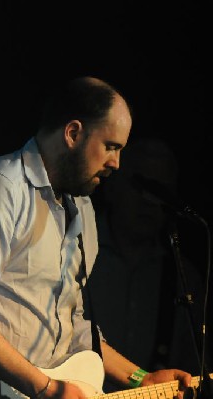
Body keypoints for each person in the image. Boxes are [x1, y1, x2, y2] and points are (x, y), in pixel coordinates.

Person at [0, 77, 193, 399]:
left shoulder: (83, 206)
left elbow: (71, 325)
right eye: (110, 147)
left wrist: (139, 378)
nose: (116, 164)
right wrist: (44, 387)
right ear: (73, 133)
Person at [88, 137, 210, 391]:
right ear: (112, 184)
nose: (149, 200)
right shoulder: (75, 250)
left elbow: (193, 364)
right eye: (140, 184)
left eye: (160, 189)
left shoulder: (182, 276)